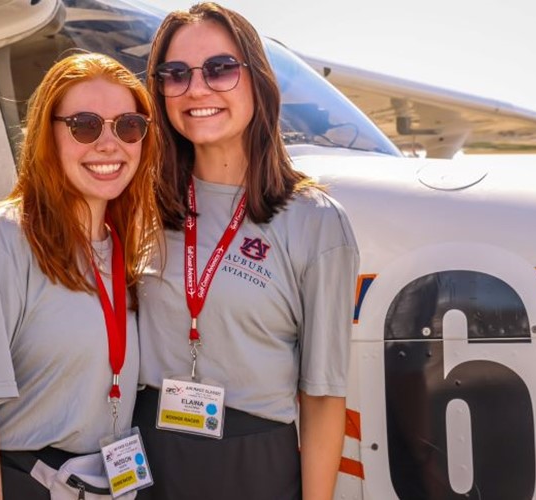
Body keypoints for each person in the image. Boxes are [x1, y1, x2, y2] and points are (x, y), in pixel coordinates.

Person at [132, 3, 359, 499]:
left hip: (252, 464)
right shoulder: (139, 208)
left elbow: (322, 397)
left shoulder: (316, 222)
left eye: (220, 69)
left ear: (257, 80)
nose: (197, 89)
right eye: (175, 74)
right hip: (144, 459)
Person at [0, 52, 161, 499]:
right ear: (47, 136)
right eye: (85, 126)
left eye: (128, 126)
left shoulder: (123, 248)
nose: (109, 144)